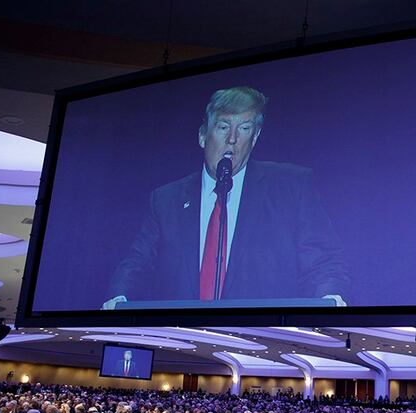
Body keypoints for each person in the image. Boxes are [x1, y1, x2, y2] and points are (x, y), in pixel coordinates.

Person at [104, 86, 350, 308]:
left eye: (244, 128)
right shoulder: (166, 200)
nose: (232, 138)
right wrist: (119, 299)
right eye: (223, 127)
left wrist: (330, 299)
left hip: (260, 341)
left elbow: (324, 261)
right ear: (202, 135)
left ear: (254, 138)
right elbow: (138, 264)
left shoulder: (291, 187)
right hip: (183, 343)